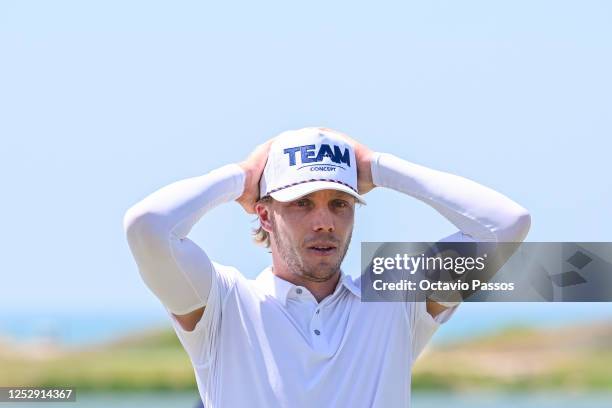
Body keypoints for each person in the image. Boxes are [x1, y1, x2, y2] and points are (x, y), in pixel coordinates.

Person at [123, 127, 531, 407]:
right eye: (302, 203)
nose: (325, 222)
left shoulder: (393, 297)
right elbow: (147, 228)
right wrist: (242, 177)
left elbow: (506, 225)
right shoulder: (224, 303)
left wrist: (376, 167)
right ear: (264, 216)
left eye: (340, 204)